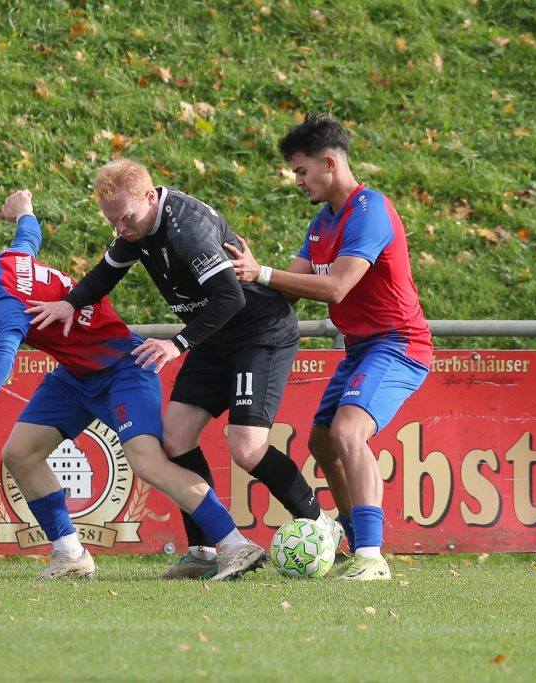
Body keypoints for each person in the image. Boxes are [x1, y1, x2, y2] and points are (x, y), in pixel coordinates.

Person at [0, 189, 266, 582]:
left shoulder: (1, 300)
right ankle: (70, 553)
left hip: (124, 369)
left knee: (148, 463)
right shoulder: (8, 261)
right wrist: (24, 210)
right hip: (76, 376)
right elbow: (29, 235)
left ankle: (234, 543)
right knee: (20, 453)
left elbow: (4, 354)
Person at [27, 161, 337, 580]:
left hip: (257, 333)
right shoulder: (137, 225)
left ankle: (322, 526)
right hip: (214, 336)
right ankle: (206, 552)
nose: (119, 229)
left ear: (150, 197)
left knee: (246, 449)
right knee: (174, 440)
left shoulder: (186, 230)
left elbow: (230, 298)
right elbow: (106, 273)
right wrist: (71, 301)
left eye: (125, 218)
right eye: (112, 220)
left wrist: (176, 344)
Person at [224, 113, 433, 580]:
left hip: (399, 344)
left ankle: (372, 556)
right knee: (322, 441)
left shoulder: (370, 211)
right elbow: (291, 287)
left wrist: (259, 272)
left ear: (330, 163)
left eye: (301, 170)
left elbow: (336, 287)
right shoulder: (322, 223)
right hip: (361, 348)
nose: (296, 180)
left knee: (346, 433)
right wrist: (230, 281)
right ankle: (354, 540)